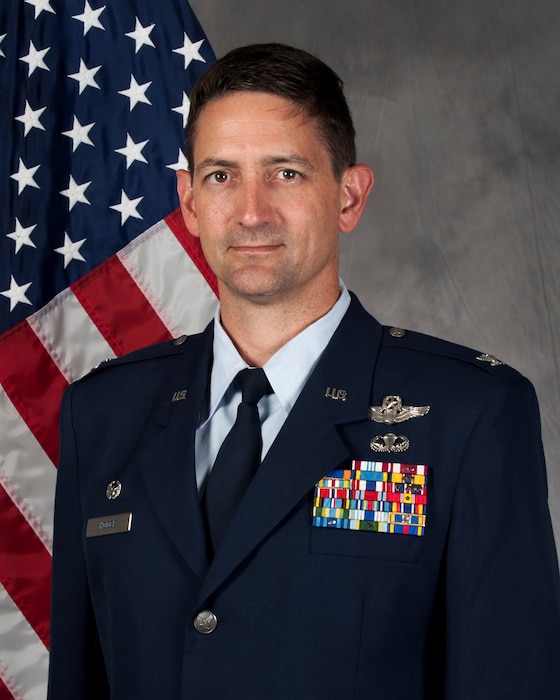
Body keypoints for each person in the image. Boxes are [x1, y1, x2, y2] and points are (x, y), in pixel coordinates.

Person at [48, 43, 560, 699]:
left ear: (348, 197)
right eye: (221, 176)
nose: (252, 211)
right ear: (189, 202)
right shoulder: (102, 417)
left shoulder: (470, 415)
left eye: (286, 174)